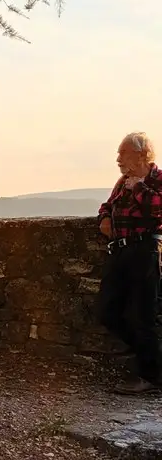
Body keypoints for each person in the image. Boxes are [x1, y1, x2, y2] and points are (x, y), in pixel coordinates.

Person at [97, 132, 162, 395]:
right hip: (120, 250)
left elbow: (157, 209)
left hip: (145, 250)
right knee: (107, 311)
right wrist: (104, 218)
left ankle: (150, 376)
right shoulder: (122, 182)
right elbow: (107, 205)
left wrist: (138, 188)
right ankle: (149, 357)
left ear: (141, 154)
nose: (118, 159)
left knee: (143, 316)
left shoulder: (157, 179)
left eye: (123, 153)